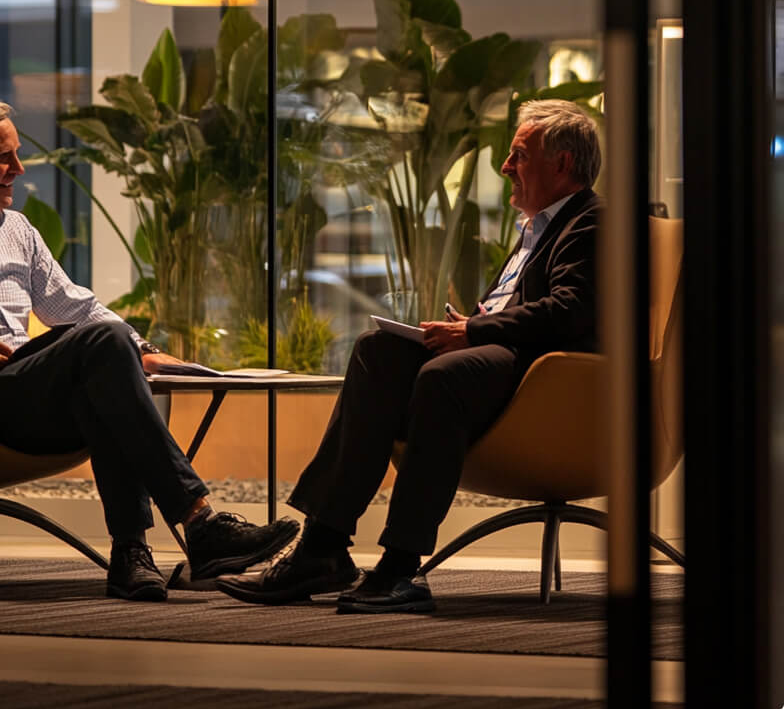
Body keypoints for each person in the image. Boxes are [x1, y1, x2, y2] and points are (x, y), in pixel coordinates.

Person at [0, 95, 298, 602]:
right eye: (4, 158)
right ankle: (200, 525)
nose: (18, 169)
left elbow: (75, 307)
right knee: (105, 352)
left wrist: (143, 348)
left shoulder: (17, 230)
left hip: (23, 389)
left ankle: (131, 554)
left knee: (102, 379)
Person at [216, 99, 602, 614]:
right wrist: (470, 322)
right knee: (376, 351)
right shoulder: (539, 225)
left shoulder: (592, 221)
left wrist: (473, 329)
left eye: (520, 155)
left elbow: (570, 309)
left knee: (442, 376)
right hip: (502, 355)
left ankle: (401, 566)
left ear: (563, 164)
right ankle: (322, 546)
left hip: (547, 376)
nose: (506, 166)